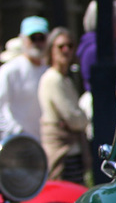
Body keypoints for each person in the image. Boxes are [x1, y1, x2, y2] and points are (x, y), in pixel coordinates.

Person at [0, 17, 50, 156]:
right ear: (23, 39)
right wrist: (16, 132)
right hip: (16, 152)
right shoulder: (11, 70)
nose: (37, 42)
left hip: (42, 149)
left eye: (41, 38)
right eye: (32, 38)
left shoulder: (48, 71)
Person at [38, 26, 89, 181]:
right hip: (61, 154)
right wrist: (82, 119)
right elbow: (75, 120)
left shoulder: (65, 78)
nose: (66, 50)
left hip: (72, 152)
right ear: (51, 50)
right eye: (61, 46)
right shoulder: (53, 79)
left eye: (70, 46)